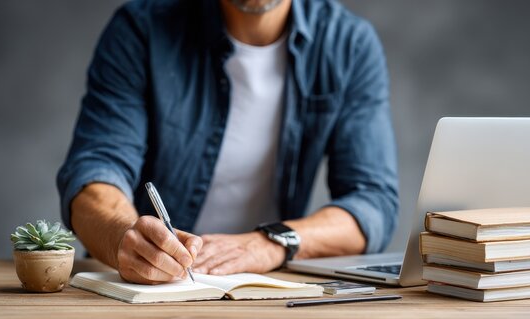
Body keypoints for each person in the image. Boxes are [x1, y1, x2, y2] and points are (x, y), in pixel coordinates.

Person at [57, 0, 398, 284]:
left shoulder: (348, 44)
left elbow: (372, 201)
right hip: (149, 288)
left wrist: (270, 242)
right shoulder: (141, 29)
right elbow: (96, 171)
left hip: (267, 289)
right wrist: (122, 235)